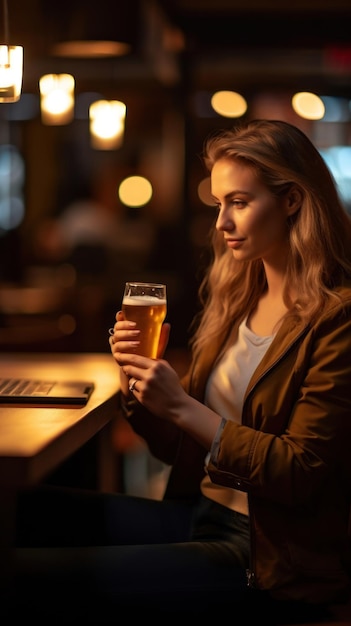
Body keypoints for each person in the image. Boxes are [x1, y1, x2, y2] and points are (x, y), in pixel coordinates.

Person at [10, 119, 351, 623]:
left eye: (239, 202)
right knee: (22, 508)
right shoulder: (241, 297)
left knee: (23, 576)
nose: (221, 223)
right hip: (199, 515)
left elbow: (301, 472)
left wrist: (181, 405)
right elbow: (177, 448)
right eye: (219, 204)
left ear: (292, 201)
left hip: (268, 556)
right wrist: (139, 386)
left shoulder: (337, 318)